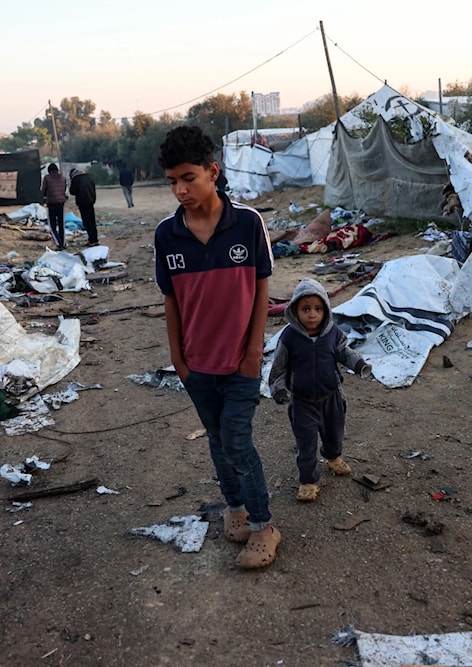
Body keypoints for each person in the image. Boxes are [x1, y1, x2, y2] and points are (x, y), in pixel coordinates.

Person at [154, 125, 280, 570]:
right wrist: (178, 358)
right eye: (172, 181)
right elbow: (171, 300)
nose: (180, 190)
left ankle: (264, 526)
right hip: (196, 365)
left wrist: (252, 353)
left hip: (240, 362)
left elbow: (262, 290)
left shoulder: (247, 223)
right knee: (216, 439)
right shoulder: (167, 235)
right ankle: (236, 510)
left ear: (213, 171)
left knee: (237, 441)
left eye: (188, 178)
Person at [268, 278, 372, 502]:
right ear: (295, 310)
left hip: (331, 398)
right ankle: (307, 480)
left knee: (334, 434)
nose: (312, 315)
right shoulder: (289, 337)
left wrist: (359, 364)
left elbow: (345, 352)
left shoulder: (333, 334)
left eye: (318, 309)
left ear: (326, 310)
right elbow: (278, 366)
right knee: (305, 444)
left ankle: (333, 457)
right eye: (306, 309)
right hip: (302, 402)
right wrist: (278, 388)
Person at [41, 163, 68, 250]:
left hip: (51, 203)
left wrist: (45, 197)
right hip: (61, 203)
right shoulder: (63, 178)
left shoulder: (47, 178)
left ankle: (58, 243)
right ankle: (63, 242)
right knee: (61, 223)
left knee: (52, 225)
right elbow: (64, 189)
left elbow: (43, 191)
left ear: (49, 170)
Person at [68, 168, 98, 246]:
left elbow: (72, 191)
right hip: (91, 201)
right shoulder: (89, 177)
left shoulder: (76, 179)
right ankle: (95, 239)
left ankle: (91, 240)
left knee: (86, 222)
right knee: (92, 221)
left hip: (82, 203)